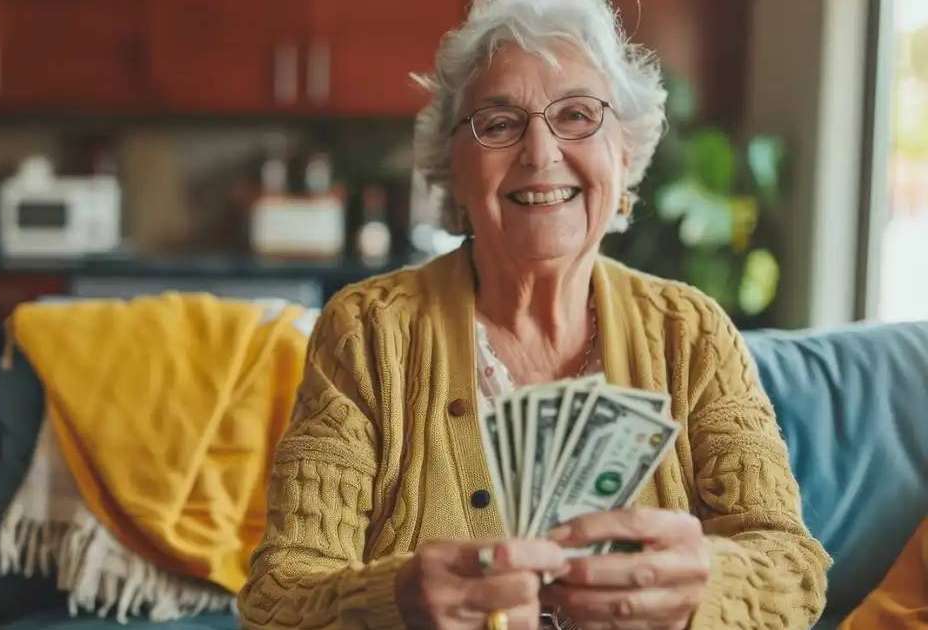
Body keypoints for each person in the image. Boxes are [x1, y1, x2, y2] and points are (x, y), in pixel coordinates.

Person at [237, 0, 830, 627]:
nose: (540, 152)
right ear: (454, 170)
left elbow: (792, 568)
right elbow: (279, 600)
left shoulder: (693, 333)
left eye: (577, 114)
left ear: (624, 156)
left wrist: (706, 589)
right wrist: (396, 600)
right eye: (498, 124)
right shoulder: (368, 333)